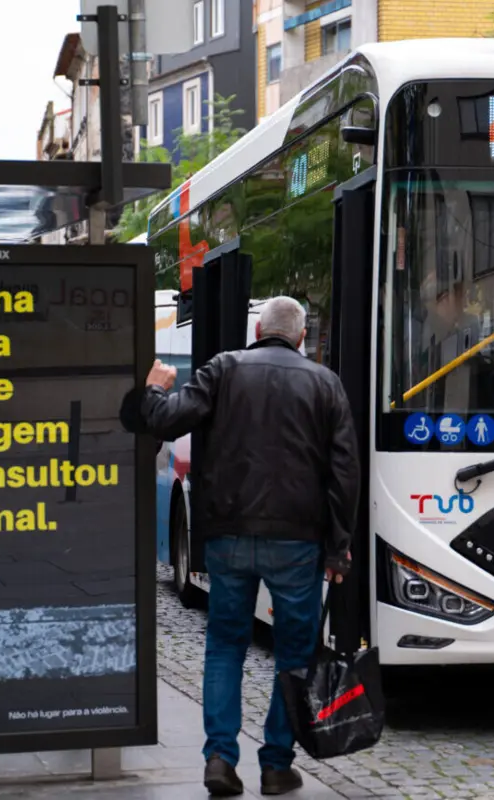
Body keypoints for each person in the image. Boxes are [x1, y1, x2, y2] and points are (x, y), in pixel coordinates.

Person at [139, 295, 360, 797]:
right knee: (294, 655)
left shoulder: (223, 369)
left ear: (258, 330)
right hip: (298, 542)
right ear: (301, 337)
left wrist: (153, 391)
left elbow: (169, 420)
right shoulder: (326, 384)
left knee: (224, 647)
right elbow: (345, 474)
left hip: (229, 535)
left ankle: (220, 757)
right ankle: (277, 765)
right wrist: (338, 549)